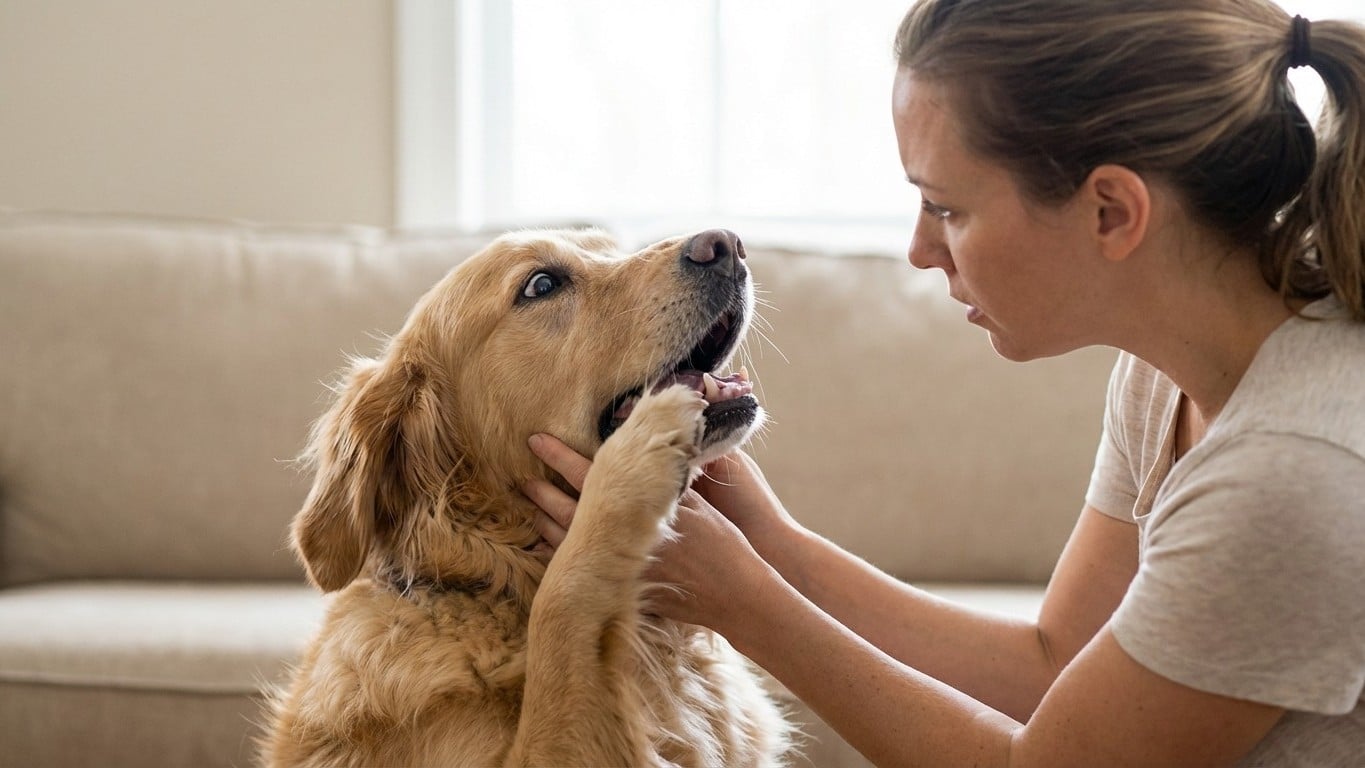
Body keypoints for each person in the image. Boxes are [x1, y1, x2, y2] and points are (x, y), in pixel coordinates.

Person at [523, 1, 1365, 765]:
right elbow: (1051, 659)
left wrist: (744, 604)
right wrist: (768, 541)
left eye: (948, 208)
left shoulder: (1291, 469)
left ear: (1111, 211)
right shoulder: (1164, 373)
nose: (921, 251)